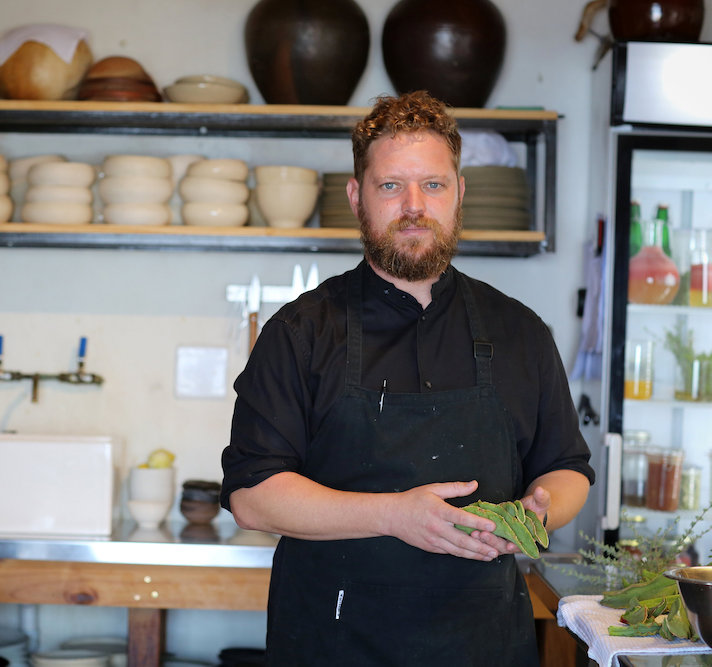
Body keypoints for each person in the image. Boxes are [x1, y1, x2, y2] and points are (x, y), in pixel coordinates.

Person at [220, 90, 594, 666]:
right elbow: (252, 497)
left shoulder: (521, 332)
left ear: (459, 194)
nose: (414, 205)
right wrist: (393, 515)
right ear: (357, 197)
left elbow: (568, 467)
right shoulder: (301, 333)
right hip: (334, 643)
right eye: (391, 186)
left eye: (434, 185)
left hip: (483, 643)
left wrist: (540, 511)